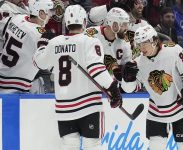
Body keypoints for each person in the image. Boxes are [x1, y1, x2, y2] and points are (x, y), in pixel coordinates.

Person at [33, 5, 122, 150]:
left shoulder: (55, 42)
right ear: (85, 22)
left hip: (64, 108)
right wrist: (113, 88)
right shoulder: (90, 41)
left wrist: (43, 45)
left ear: (66, 22)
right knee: (92, 146)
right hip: (89, 107)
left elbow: (39, 62)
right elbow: (96, 70)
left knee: (68, 147)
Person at [121, 25, 183, 149]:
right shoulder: (138, 63)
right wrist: (127, 78)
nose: (141, 48)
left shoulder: (173, 51)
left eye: (144, 43)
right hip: (156, 112)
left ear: (154, 41)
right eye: (139, 44)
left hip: (180, 108)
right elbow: (129, 89)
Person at [0, 0, 54, 93]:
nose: (50, 15)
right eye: (48, 11)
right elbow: (47, 65)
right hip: (16, 88)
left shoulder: (16, 18)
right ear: (41, 13)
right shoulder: (40, 35)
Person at [86, 7, 132, 82]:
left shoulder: (125, 42)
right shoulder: (90, 34)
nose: (127, 28)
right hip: (90, 85)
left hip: (112, 88)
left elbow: (127, 66)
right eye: (124, 24)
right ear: (114, 25)